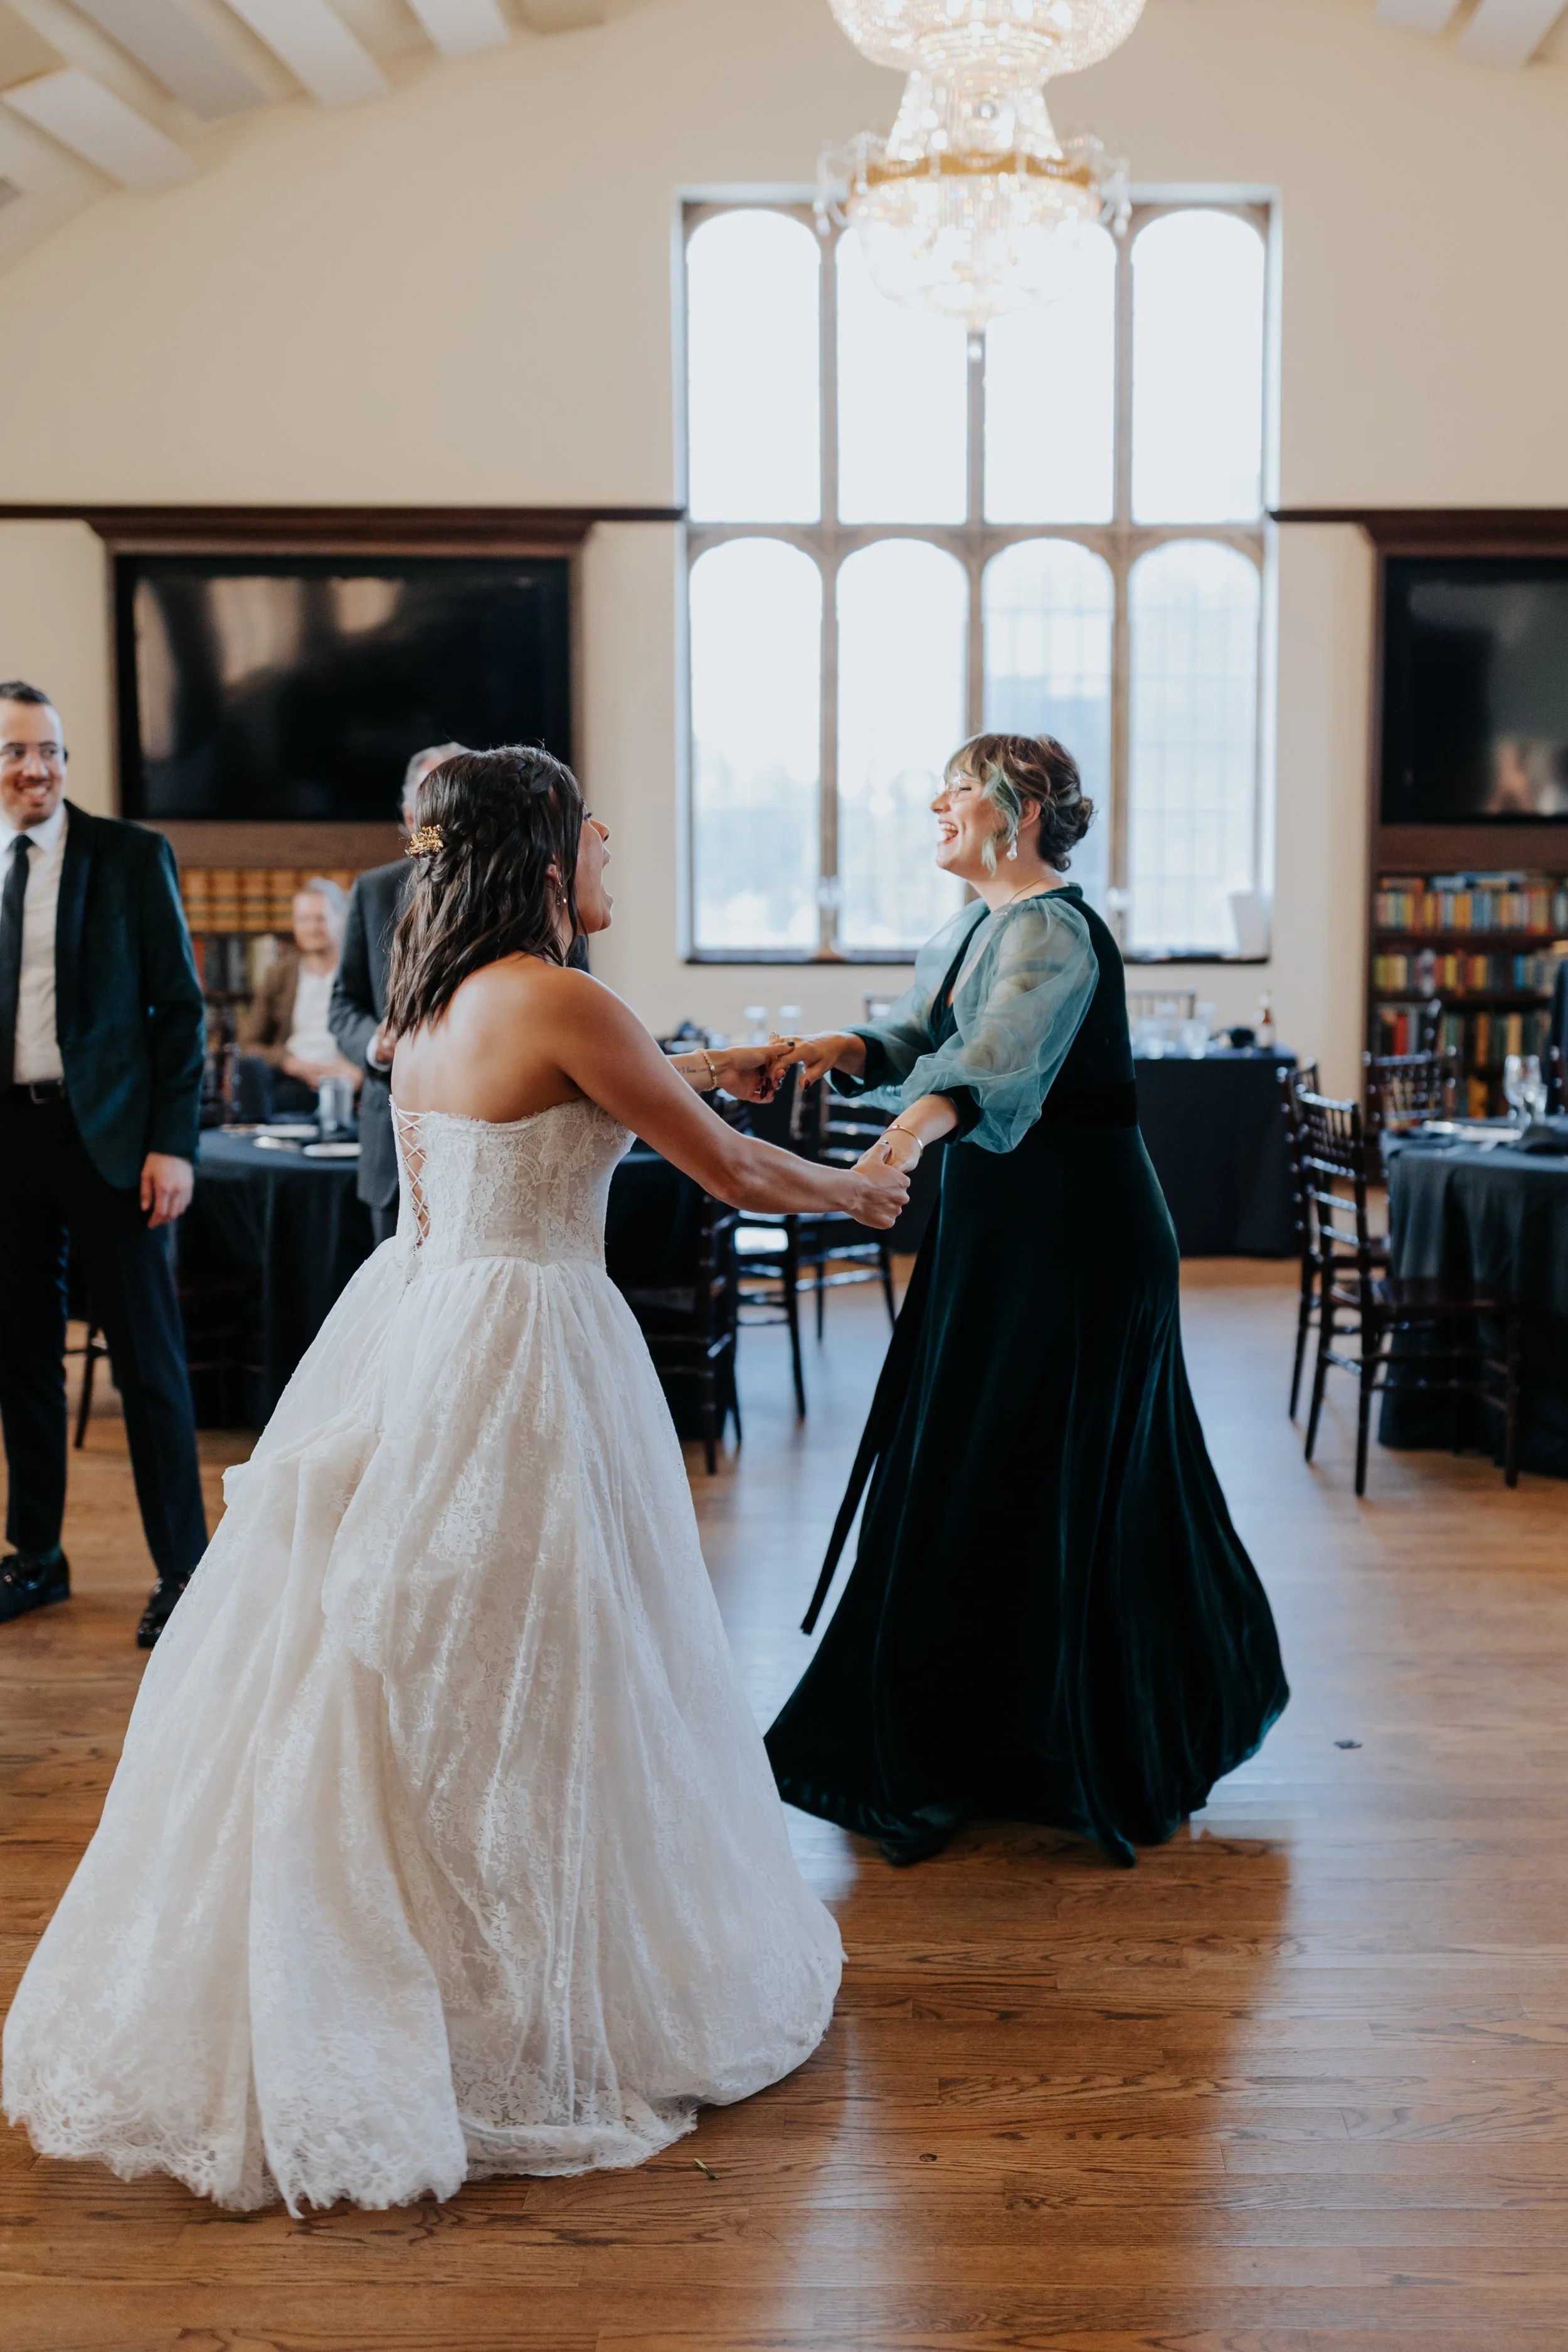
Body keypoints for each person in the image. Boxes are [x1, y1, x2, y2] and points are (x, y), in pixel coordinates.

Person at [3, 744, 908, 2213]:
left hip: (429, 1324)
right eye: (599, 842)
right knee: (555, 1654)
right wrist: (858, 1190)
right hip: (535, 1343)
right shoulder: (562, 996)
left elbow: (517, 1147)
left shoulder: (435, 1003)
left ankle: (428, 1948)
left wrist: (701, 1073)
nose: (615, 861)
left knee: (436, 1657)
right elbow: (731, 1169)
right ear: (547, 859)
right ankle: (519, 1982)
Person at [765, 732, 1288, 1868]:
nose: (939, 804)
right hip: (1007, 1233)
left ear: (1026, 809)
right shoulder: (979, 925)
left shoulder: (1052, 928)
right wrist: (822, 1049)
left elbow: (989, 1064)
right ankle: (985, 1744)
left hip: (1081, 1242)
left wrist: (901, 1138)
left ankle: (1080, 1741)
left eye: (962, 787)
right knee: (979, 1471)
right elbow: (920, 1034)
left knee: (1054, 1478)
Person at [0, 681, 209, 1649]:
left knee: (149, 1364)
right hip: (8, 1144)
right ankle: (36, 1555)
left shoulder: (130, 857)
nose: (35, 768)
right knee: (21, 1360)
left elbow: (181, 1010)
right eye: (14, 751)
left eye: (49, 751)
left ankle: (185, 1572)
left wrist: (174, 1141)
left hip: (116, 1143)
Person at [331, 744, 464, 1245]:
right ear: (411, 818)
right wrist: (374, 1044)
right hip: (394, 1156)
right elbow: (344, 1004)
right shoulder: (375, 890)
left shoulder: (516, 895)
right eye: (434, 804)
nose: (449, 817)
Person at [235, 879, 362, 1119]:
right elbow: (248, 1045)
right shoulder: (279, 975)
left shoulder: (359, 973)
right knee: (251, 1067)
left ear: (341, 919)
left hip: (346, 1081)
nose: (312, 928)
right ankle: (257, 1149)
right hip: (294, 1078)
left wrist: (358, 1073)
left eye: (320, 918)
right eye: (304, 920)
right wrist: (291, 1063)